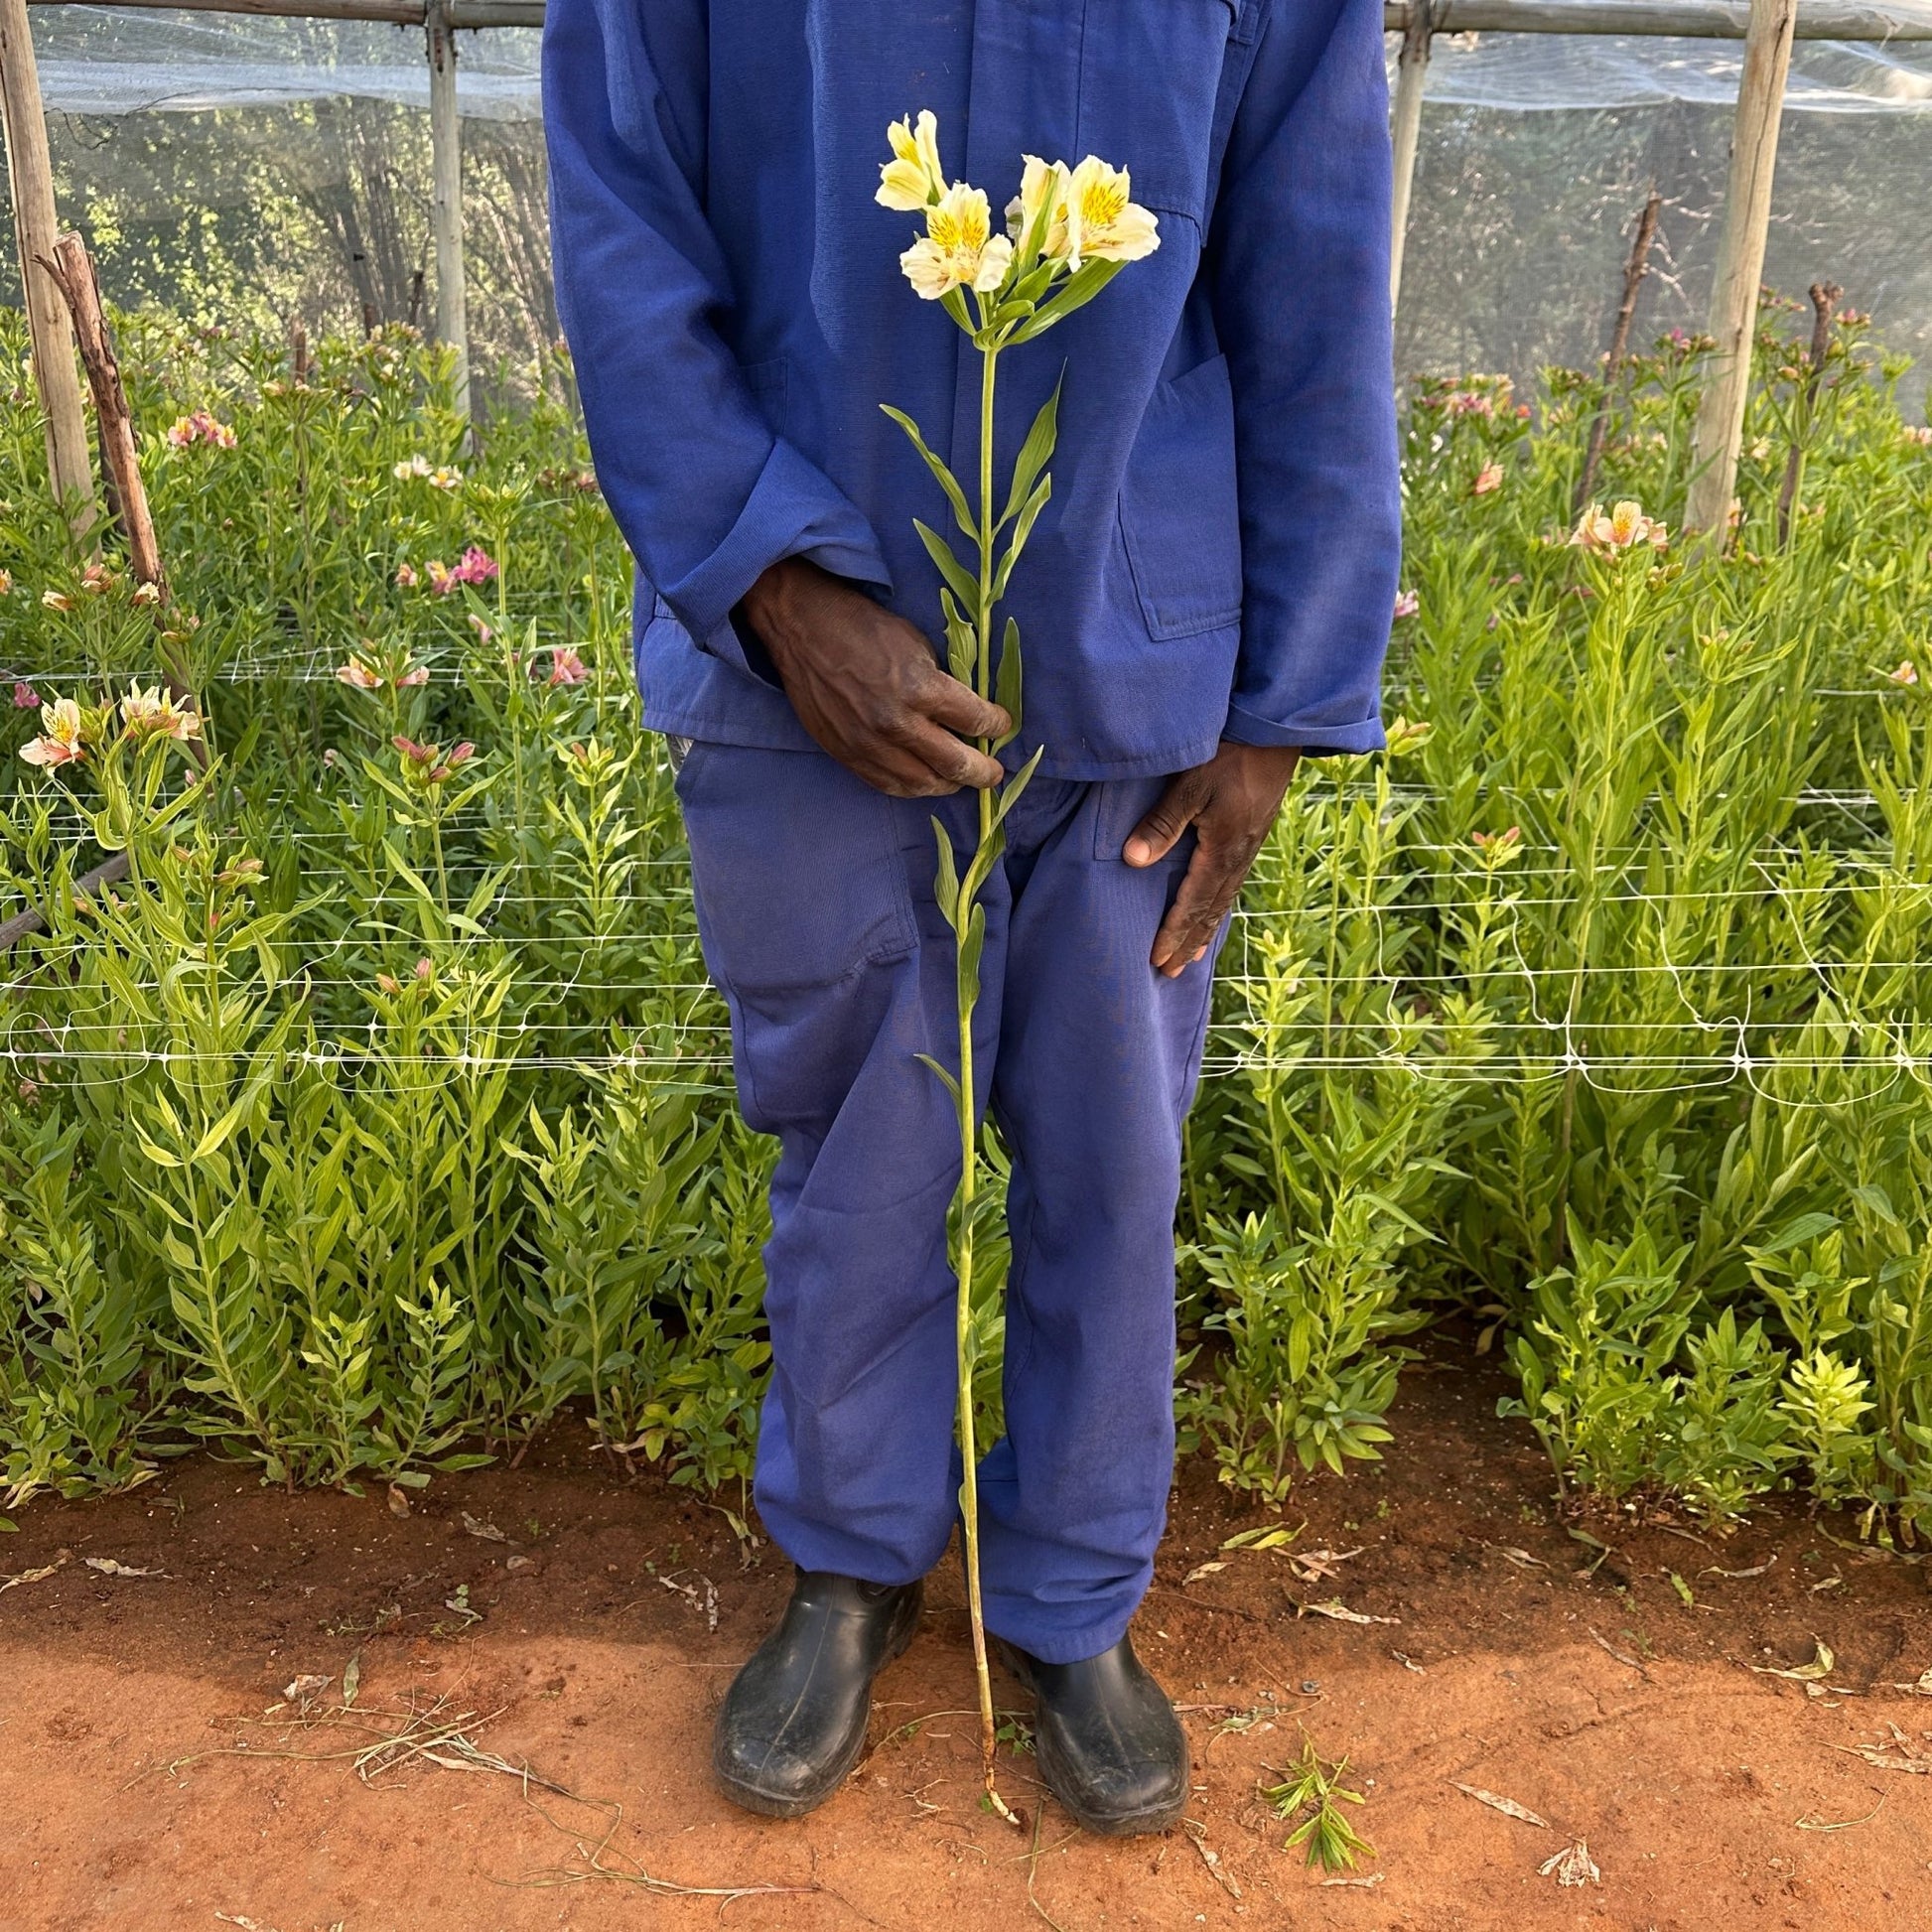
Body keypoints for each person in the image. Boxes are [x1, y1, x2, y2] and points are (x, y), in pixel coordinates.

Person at [543, 0, 1399, 1836]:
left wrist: (1281, 706)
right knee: (859, 1152)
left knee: (1109, 1165)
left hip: (1135, 662)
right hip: (806, 679)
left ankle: (1072, 1595)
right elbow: (626, 229)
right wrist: (774, 590)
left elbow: (1315, 280)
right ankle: (852, 1563)